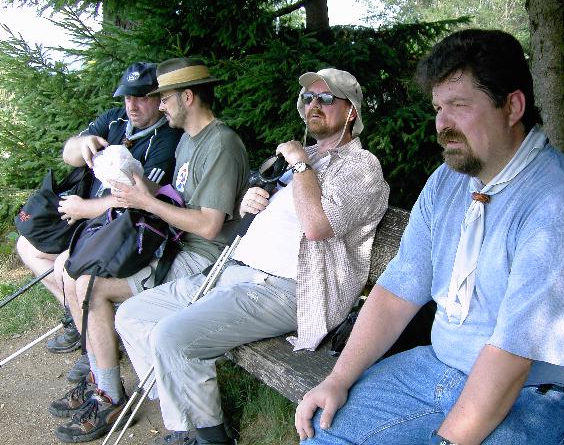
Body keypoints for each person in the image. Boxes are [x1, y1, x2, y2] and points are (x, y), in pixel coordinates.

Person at [295, 29, 564, 445]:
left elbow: (512, 357)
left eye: (458, 105)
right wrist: (338, 378)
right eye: (438, 107)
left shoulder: (559, 205)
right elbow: (397, 291)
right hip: (443, 365)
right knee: (325, 433)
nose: (442, 124)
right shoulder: (447, 181)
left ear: (512, 106)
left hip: (549, 391)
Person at [114, 68, 390, 445]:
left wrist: (300, 165)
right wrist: (254, 201)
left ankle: (209, 437)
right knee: (132, 314)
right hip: (236, 272)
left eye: (326, 98)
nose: (314, 104)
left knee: (172, 337)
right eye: (308, 97)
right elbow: (266, 215)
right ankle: (183, 408)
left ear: (351, 110)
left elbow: (317, 226)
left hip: (289, 290)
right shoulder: (305, 158)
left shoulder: (361, 166)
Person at [50, 58, 250, 444]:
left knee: (93, 287)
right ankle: (161, 404)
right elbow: (182, 200)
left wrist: (147, 202)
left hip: (205, 259)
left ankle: (131, 401)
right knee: (83, 276)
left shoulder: (221, 143)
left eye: (165, 98)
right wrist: (145, 188)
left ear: (187, 97)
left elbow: (209, 226)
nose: (160, 105)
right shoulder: (189, 139)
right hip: (175, 245)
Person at [16, 62, 182, 359]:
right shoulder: (115, 119)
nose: (132, 106)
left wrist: (84, 209)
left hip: (119, 226)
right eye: (127, 97)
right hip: (83, 217)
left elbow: (139, 200)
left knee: (65, 265)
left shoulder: (166, 139)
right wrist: (83, 143)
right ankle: (78, 317)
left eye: (141, 98)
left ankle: (94, 346)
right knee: (26, 245)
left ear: (159, 98)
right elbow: (69, 154)